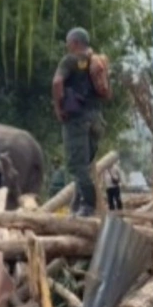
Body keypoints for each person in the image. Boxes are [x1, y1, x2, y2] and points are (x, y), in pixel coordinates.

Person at [51, 27, 112, 217]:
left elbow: (57, 82)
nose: (67, 46)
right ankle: (77, 205)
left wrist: (58, 108)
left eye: (68, 42)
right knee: (85, 164)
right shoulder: (96, 60)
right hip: (96, 120)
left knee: (77, 166)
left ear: (75, 43)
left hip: (77, 120)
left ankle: (88, 205)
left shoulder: (70, 60)